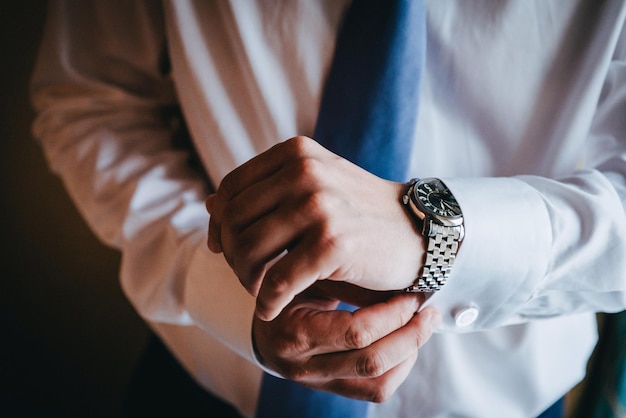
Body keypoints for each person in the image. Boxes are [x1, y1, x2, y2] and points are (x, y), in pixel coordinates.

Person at [30, 1, 626, 417]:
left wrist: (434, 237)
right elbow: (92, 100)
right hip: (203, 386)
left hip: (508, 403)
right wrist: (216, 282)